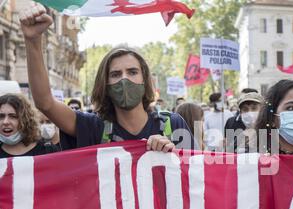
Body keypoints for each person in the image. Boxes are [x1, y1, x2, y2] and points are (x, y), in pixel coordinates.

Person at [20, 3, 192, 153]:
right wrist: (33, 40)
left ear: (144, 79)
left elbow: (197, 177)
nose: (124, 80)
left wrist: (173, 153)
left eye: (132, 72)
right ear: (105, 84)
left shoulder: (173, 124)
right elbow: (45, 103)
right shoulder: (93, 127)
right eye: (115, 74)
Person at [0, 94, 59, 158]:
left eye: (13, 116)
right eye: (1, 116)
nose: (5, 122)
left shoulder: (47, 151)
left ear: (26, 119)